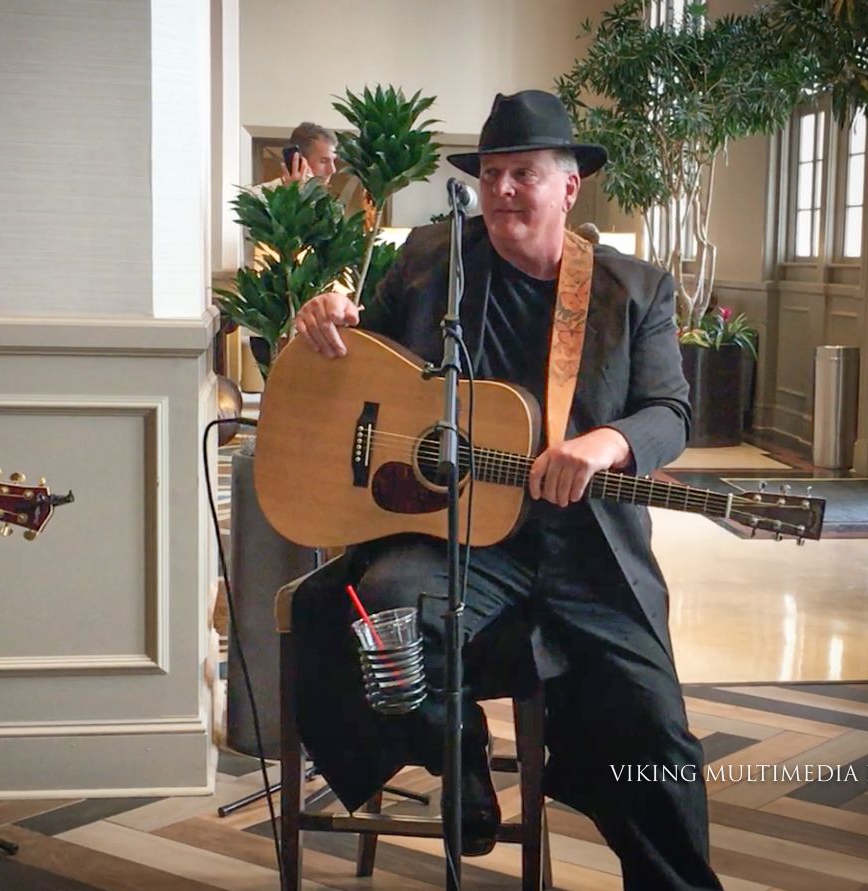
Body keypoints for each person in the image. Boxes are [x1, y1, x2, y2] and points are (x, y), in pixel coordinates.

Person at [289, 91, 724, 890]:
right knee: (383, 609)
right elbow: (359, 362)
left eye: (524, 173)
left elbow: (672, 412)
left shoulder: (634, 291)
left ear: (569, 187)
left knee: (655, 730)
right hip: (449, 536)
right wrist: (325, 320)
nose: (502, 190)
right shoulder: (431, 261)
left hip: (587, 550)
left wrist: (604, 442)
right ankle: (459, 759)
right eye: (491, 174)